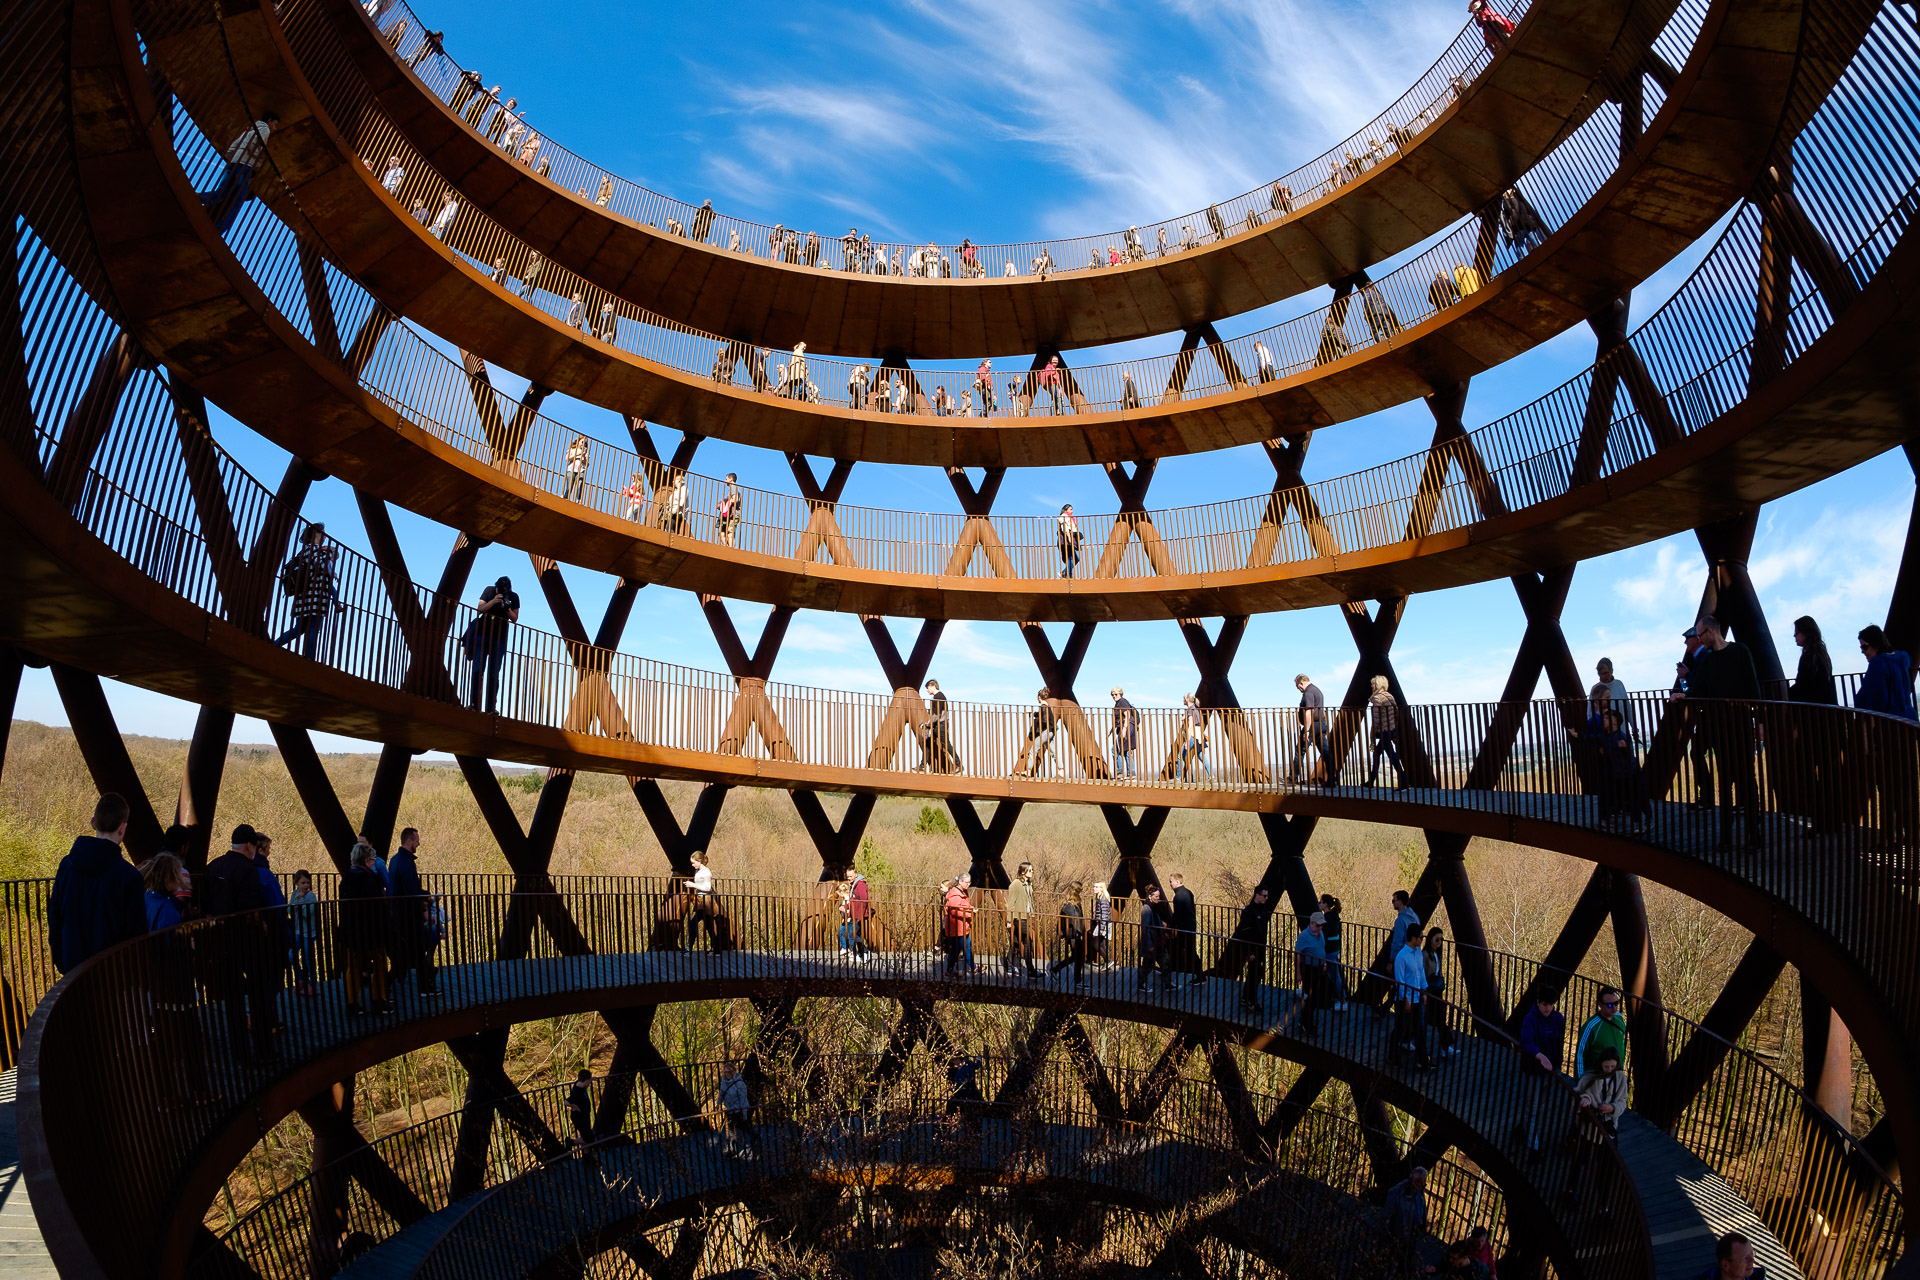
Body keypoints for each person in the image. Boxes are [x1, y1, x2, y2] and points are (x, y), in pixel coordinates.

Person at [1685, 614, 1762, 850]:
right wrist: (1683, 695)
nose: (1698, 639)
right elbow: (1699, 691)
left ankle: (1753, 835)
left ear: (1710, 632)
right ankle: (1728, 837)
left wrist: (1759, 723)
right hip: (1722, 729)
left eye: (1699, 635)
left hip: (1738, 727)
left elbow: (1753, 688)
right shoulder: (1710, 661)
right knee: (1727, 781)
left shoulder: (1740, 652)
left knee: (1746, 780)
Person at [202, 824, 278, 1061]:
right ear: (249, 846)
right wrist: (263, 926)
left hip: (221, 943)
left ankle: (240, 1055)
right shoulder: (248, 870)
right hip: (247, 942)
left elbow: (205, 906)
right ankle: (264, 1052)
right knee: (258, 997)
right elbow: (251, 907)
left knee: (233, 999)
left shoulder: (213, 867)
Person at [49, 793, 144, 974]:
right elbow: (135, 936)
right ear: (123, 828)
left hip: (73, 970)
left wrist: (62, 961)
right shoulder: (130, 877)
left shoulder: (66, 866)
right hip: (113, 975)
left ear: (93, 822)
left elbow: (55, 917)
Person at [338, 841, 393, 1016]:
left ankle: (352, 1004)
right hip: (372, 932)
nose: (373, 862)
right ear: (364, 860)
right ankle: (380, 1001)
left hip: (352, 932)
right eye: (371, 859)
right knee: (379, 963)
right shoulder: (371, 880)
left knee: (352, 966)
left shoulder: (346, 881)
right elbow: (378, 909)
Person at [201, 113, 278, 233]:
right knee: (237, 200)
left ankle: (200, 197)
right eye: (275, 124)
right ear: (270, 120)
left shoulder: (250, 129)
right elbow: (254, 146)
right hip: (245, 166)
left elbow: (234, 146)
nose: (275, 128)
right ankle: (219, 229)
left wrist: (232, 158)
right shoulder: (265, 129)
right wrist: (258, 160)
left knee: (222, 193)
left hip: (235, 162)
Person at [1568, 1046, 1626, 1204]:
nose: (1609, 1069)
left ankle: (1603, 1204)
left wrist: (1613, 1108)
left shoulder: (1620, 1078)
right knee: (1580, 1160)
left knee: (1605, 1168)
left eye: (1612, 1066)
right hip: (1588, 1129)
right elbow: (1578, 1093)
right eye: (1606, 1066)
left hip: (1608, 1128)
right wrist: (1584, 1099)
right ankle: (1571, 1191)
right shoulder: (1590, 1077)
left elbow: (1622, 1101)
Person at [388, 827, 439, 997]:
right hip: (408, 916)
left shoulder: (395, 860)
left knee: (411, 952)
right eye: (416, 840)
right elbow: (412, 890)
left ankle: (421, 983)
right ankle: (424, 985)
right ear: (409, 841)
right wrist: (427, 899)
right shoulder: (406, 863)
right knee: (415, 950)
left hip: (399, 914)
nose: (419, 843)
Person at [275, 522, 338, 659]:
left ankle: (274, 645)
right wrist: (331, 559)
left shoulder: (303, 551)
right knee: (313, 629)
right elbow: (325, 567)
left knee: (299, 629)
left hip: (302, 596)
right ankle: (309, 659)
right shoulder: (317, 550)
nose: (324, 537)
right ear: (316, 533)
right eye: (323, 533)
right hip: (316, 595)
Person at [1514, 990, 1566, 1155]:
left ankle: (1524, 1129)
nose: (1548, 1008)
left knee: (1538, 1104)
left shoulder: (1558, 1018)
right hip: (1534, 1069)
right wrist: (1540, 1056)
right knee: (1534, 1106)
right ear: (1538, 1002)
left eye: (1550, 1004)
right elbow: (1526, 1041)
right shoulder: (1530, 1019)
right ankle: (1533, 1145)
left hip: (1550, 1069)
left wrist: (1558, 1062)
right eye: (1545, 1004)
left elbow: (1559, 1043)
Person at [463, 576, 520, 714]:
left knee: (494, 673)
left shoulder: (513, 596)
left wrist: (506, 608)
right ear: (496, 588)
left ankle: (490, 708)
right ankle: (475, 704)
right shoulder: (489, 591)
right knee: (478, 670)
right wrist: (494, 601)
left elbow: (515, 618)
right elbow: (480, 609)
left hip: (499, 638)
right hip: (482, 635)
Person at [1391, 924, 1434, 1069]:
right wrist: (1406, 999)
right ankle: (1393, 1056)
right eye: (1421, 937)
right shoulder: (1401, 957)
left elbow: (1421, 973)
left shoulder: (1417, 953)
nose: (1423, 939)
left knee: (1420, 1029)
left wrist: (1424, 991)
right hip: (1406, 999)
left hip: (1417, 997)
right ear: (1413, 938)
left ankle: (1422, 1060)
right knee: (1401, 1029)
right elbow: (1400, 980)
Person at [1857, 624, 1916, 719]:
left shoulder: (1878, 664)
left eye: (1865, 647)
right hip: (1910, 718)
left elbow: (1877, 699)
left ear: (1875, 644)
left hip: (1891, 723)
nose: (1862, 651)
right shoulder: (1903, 657)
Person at [1422, 927, 1457, 1057]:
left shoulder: (1437, 954)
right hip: (1428, 990)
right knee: (1435, 1018)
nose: (1439, 942)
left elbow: (1438, 971)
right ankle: (1445, 1046)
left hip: (1436, 990)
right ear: (1430, 939)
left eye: (1441, 939)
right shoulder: (1425, 954)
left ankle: (1446, 1046)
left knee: (1438, 1018)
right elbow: (1422, 973)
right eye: (1437, 939)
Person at [1365, 674, 1405, 788]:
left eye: (1373, 684)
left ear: (1378, 685)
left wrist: (1372, 736)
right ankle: (1371, 781)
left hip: (1384, 731)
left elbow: (1376, 719)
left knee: (1391, 756)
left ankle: (1404, 780)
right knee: (1378, 754)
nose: (1372, 686)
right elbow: (1396, 714)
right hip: (1390, 730)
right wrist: (1394, 729)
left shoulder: (1377, 698)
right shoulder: (1389, 696)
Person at [1576, 986, 1627, 1074]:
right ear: (1600, 1004)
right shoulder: (1591, 1025)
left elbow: (1621, 1044)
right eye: (1610, 1005)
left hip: (1616, 1073)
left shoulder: (1619, 1018)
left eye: (1616, 1003)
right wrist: (1581, 1081)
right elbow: (1580, 1054)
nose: (1614, 1008)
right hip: (1597, 1075)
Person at [1293, 910, 1328, 1034]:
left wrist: (1324, 963)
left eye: (1322, 925)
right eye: (1318, 925)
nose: (1320, 927)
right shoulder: (1304, 936)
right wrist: (1298, 973)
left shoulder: (1320, 934)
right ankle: (1305, 1022)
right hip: (1308, 968)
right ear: (1311, 923)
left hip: (1318, 968)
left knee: (1317, 996)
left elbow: (1321, 949)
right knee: (1313, 997)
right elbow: (1297, 955)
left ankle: (1305, 1020)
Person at [1384, 1167, 1429, 1259]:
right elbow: (1388, 1212)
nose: (1421, 1184)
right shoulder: (1398, 1192)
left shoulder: (1419, 1191)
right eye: (1419, 1182)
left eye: (1423, 1182)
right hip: (1400, 1231)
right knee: (1394, 1256)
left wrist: (1423, 1224)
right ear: (1412, 1179)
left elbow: (1422, 1207)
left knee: (1408, 1256)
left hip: (1413, 1231)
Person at [1005, 861, 1040, 981]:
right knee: (1028, 942)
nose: (1032, 872)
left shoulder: (1028, 883)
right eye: (1030, 870)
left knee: (1015, 942)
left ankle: (1009, 966)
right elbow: (1011, 903)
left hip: (1025, 916)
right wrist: (1009, 920)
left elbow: (1029, 901)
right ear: (1023, 871)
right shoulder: (1016, 884)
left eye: (1032, 870)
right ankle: (1031, 970)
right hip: (1018, 917)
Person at [287, 868, 318, 997]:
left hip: (309, 932)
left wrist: (300, 901)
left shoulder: (312, 896)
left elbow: (305, 913)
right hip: (298, 931)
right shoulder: (295, 894)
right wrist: (297, 901)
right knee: (291, 955)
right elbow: (289, 910)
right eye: (303, 883)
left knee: (307, 957)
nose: (306, 885)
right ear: (297, 884)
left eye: (307, 883)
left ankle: (312, 984)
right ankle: (300, 978)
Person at [1789, 617, 1835, 704]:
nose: (1794, 635)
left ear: (1806, 632)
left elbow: (1804, 685)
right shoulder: (1820, 653)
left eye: (1797, 632)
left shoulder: (1810, 656)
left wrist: (1789, 693)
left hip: (1812, 708)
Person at [1050, 881, 1087, 987]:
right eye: (1081, 890)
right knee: (1078, 957)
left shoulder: (1071, 904)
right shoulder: (1071, 906)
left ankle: (1055, 969)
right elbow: (1074, 922)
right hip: (1073, 935)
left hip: (1072, 934)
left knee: (1076, 957)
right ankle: (1077, 980)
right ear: (1077, 891)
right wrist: (1079, 933)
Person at [1294, 674, 1330, 783]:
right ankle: (1331, 780)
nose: (1298, 689)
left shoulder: (1308, 692)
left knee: (1300, 750)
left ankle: (1293, 778)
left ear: (1301, 683)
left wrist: (1307, 730)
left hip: (1313, 725)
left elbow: (1309, 712)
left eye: (1298, 686)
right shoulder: (1317, 690)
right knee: (1325, 752)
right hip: (1321, 723)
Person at [718, 1062, 759, 1156]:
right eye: (726, 1072)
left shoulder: (739, 1084)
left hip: (739, 1110)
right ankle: (733, 1149)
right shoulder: (724, 1082)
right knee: (731, 1130)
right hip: (730, 1110)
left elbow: (743, 1099)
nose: (727, 1074)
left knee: (744, 1127)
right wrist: (718, 1103)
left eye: (729, 1072)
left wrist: (744, 1113)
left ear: (734, 1072)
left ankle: (754, 1137)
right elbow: (722, 1093)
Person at [1015, 689, 1056, 778]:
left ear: (1039, 697)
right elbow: (1044, 716)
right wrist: (1034, 714)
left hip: (1046, 732)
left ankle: (1028, 771)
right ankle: (1061, 770)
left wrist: (1038, 728)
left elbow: (1044, 720)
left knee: (1033, 749)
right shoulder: (1046, 707)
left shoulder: (1043, 707)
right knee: (1053, 750)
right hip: (1051, 731)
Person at [1137, 885, 1170, 994]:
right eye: (1156, 896)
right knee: (1148, 964)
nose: (1158, 898)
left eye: (1159, 896)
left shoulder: (1153, 907)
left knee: (1165, 961)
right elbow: (1145, 928)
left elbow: (1157, 922)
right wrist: (1149, 945)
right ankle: (1142, 984)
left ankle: (1167, 983)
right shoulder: (1147, 909)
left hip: (1157, 941)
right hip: (1152, 942)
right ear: (1150, 896)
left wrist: (1163, 933)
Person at [1318, 893, 1348, 1007]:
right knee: (1332, 973)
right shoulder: (1335, 916)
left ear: (1325, 904)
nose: (1319, 904)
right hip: (1335, 948)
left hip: (1328, 950)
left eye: (1320, 902)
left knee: (1333, 974)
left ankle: (1341, 999)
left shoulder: (1326, 918)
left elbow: (1324, 934)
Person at [1696, 1232, 1766, 1280]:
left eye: (1752, 1254)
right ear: (1725, 1265)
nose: (1752, 1260)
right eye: (1746, 1258)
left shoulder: (1758, 1277)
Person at [942, 875, 974, 975]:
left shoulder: (962, 892)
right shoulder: (955, 895)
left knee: (966, 947)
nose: (968, 885)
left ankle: (973, 967)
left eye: (969, 882)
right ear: (960, 881)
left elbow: (963, 907)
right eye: (966, 882)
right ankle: (950, 970)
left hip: (962, 926)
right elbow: (954, 911)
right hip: (957, 927)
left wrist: (970, 909)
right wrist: (969, 914)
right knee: (956, 950)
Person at [687, 850, 717, 949]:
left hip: (705, 901)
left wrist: (693, 885)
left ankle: (689, 947)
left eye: (693, 862)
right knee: (708, 925)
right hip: (701, 900)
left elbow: (708, 888)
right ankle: (715, 948)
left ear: (699, 861)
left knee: (693, 923)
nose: (692, 865)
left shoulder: (706, 872)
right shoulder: (699, 871)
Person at [1176, 692, 1208, 782]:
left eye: (1184, 699)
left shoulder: (1190, 710)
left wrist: (1187, 740)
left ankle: (1178, 777)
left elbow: (1190, 726)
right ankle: (1211, 776)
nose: (1183, 700)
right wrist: (1185, 717)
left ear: (1187, 700)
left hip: (1193, 735)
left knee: (1180, 756)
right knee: (1201, 755)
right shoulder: (1194, 709)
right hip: (1198, 735)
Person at [1109, 687, 1138, 779]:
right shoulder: (1117, 704)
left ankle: (1121, 772)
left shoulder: (1122, 701)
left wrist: (1124, 729)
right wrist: (1110, 731)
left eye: (1116, 694)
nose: (1114, 696)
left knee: (1116, 749)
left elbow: (1127, 715)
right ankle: (1131, 773)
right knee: (1125, 750)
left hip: (1127, 727)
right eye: (1112, 695)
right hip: (1124, 727)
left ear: (1120, 694)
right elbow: (1118, 719)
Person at [843, 864, 870, 960]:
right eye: (848, 877)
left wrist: (860, 915)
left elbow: (864, 900)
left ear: (855, 875)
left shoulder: (860, 884)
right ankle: (861, 953)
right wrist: (845, 906)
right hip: (855, 914)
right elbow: (853, 899)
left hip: (858, 915)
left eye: (850, 876)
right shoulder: (854, 884)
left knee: (852, 934)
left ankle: (865, 951)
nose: (849, 878)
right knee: (856, 934)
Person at [566, 1069, 594, 1152]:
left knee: (586, 1136)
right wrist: (574, 1106)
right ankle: (571, 1142)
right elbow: (566, 1102)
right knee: (588, 1139)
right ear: (586, 1081)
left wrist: (591, 1079)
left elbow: (585, 1085)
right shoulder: (577, 1092)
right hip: (579, 1118)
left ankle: (587, 1157)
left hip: (583, 1116)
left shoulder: (580, 1085)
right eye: (589, 1081)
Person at [559, 435, 590, 503]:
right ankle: (565, 497)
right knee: (569, 486)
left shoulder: (586, 453)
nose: (583, 444)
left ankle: (578, 500)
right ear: (578, 441)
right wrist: (577, 454)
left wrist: (584, 456)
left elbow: (587, 464)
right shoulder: (572, 449)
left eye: (585, 443)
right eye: (582, 442)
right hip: (571, 468)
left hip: (581, 469)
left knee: (580, 485)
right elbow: (567, 458)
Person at [1089, 881, 1113, 967]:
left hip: (1103, 924)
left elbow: (1104, 915)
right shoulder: (1100, 897)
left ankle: (1108, 961)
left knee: (1095, 943)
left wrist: (1101, 928)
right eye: (1094, 886)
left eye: (1096, 887)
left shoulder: (1102, 899)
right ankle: (1107, 962)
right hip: (1102, 924)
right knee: (1101, 943)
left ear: (1101, 888)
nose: (1094, 888)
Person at [1055, 504, 1081, 578]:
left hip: (1069, 539)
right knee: (1071, 558)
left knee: (1075, 559)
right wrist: (1069, 538)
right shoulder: (1064, 516)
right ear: (1066, 510)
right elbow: (1065, 528)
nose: (1072, 511)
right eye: (1070, 509)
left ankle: (1064, 572)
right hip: (1066, 540)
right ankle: (1068, 574)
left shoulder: (1069, 517)